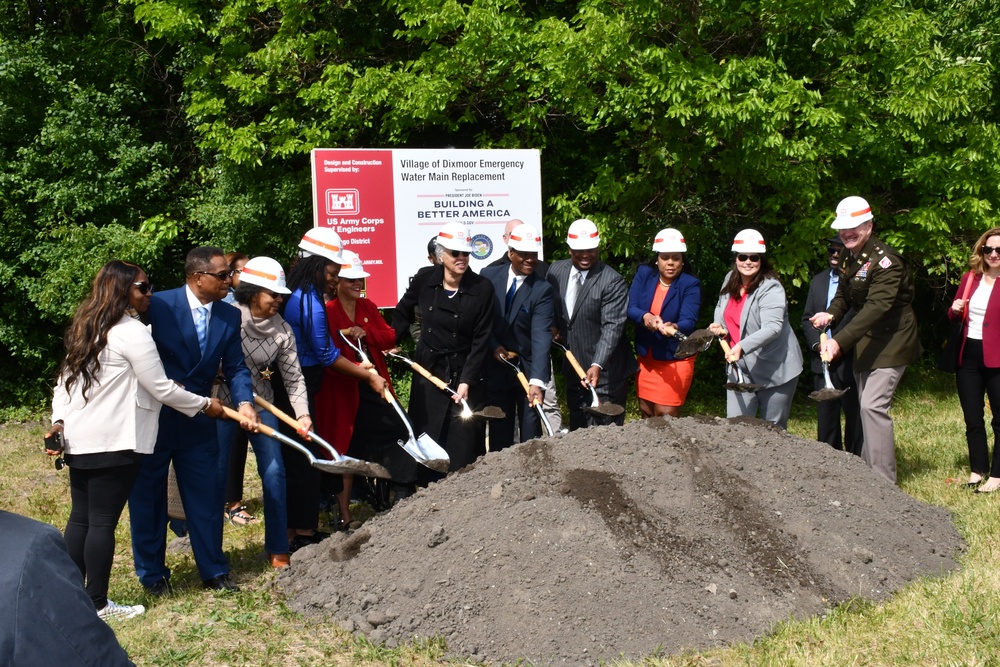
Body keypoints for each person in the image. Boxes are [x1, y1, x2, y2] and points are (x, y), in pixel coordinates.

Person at [46, 260, 225, 619]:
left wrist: (58, 424)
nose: (149, 294)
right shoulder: (133, 332)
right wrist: (207, 405)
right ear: (122, 291)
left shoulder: (88, 328)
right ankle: (96, 602)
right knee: (100, 523)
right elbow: (160, 387)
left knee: (80, 519)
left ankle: (65, 598)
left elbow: (63, 386)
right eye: (143, 287)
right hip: (115, 440)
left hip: (80, 439)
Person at [128, 247, 259, 595]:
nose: (230, 281)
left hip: (200, 421)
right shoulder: (157, 305)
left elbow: (235, 367)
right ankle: (153, 575)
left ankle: (213, 570)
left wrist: (244, 401)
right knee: (149, 499)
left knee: (206, 497)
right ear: (197, 278)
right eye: (222, 275)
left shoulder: (229, 317)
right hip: (154, 419)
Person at [282, 228, 386, 549]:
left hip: (298, 379)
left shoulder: (299, 293)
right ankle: (299, 534)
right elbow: (326, 354)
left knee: (302, 457)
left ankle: (299, 529)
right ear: (315, 265)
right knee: (303, 461)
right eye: (332, 272)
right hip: (301, 381)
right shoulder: (310, 303)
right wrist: (365, 374)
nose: (335, 278)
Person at [810, 196, 922, 484]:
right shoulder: (850, 255)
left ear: (869, 226)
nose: (847, 233)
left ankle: (884, 482)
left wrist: (839, 341)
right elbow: (844, 295)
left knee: (872, 406)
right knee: (865, 407)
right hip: (867, 340)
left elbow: (876, 308)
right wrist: (830, 315)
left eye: (854, 227)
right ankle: (871, 474)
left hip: (892, 340)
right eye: (843, 228)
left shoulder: (887, 262)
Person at [214, 257, 310, 568]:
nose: (279, 300)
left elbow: (294, 377)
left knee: (274, 471)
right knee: (217, 474)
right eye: (274, 294)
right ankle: (212, 551)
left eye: (281, 295)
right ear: (255, 293)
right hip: (225, 406)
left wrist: (303, 415)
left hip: (263, 404)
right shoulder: (229, 319)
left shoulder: (283, 330)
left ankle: (278, 547)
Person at [392, 221, 495, 472]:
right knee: (428, 436)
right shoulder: (424, 278)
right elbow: (403, 312)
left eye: (466, 253)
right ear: (441, 254)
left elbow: (482, 339)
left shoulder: (482, 289)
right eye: (455, 253)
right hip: (429, 369)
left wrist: (467, 380)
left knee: (463, 443)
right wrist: (388, 341)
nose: (461, 258)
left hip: (466, 371)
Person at [318, 250, 417, 510]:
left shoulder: (368, 306)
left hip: (374, 382)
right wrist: (346, 338)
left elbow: (390, 337)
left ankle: (403, 486)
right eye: (351, 279)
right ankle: (351, 495)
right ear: (336, 282)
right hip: (343, 387)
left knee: (399, 427)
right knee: (349, 439)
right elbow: (326, 352)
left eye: (359, 279)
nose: (357, 284)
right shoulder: (327, 312)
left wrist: (367, 332)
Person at [0, 510, 136, 665]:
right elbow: (90, 656)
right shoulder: (29, 550)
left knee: (81, 516)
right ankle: (99, 601)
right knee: (101, 521)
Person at [708, 230, 802, 429]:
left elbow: (773, 327)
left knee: (773, 429)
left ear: (761, 259)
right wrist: (719, 325)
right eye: (743, 256)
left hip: (775, 368)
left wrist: (742, 346)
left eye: (754, 257)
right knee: (736, 426)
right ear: (736, 258)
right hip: (739, 366)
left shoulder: (771, 288)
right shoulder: (729, 279)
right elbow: (720, 306)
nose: (748, 261)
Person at [548, 218, 636, 430]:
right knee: (579, 430)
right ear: (569, 249)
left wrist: (597, 364)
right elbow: (550, 306)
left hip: (606, 374)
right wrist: (552, 325)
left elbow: (612, 327)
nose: (585, 255)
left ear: (598, 247)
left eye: (591, 250)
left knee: (606, 433)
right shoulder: (555, 272)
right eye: (579, 250)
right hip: (573, 368)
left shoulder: (611, 280)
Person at [482, 223, 555, 448]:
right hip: (496, 368)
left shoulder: (542, 289)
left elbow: (541, 336)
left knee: (530, 433)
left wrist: (537, 381)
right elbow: (483, 321)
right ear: (511, 253)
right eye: (524, 254)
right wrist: (494, 346)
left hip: (527, 369)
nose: (530, 259)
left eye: (533, 254)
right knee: (499, 431)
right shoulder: (489, 276)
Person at [628, 228, 702, 418]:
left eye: (675, 258)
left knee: (665, 414)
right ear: (657, 258)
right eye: (665, 257)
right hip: (647, 358)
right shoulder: (644, 274)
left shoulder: (690, 284)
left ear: (682, 260)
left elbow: (689, 319)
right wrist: (645, 317)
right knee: (646, 411)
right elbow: (631, 307)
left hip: (674, 358)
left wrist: (675, 327)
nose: (670, 262)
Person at [948, 228, 1000, 492]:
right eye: (987, 249)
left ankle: (997, 475)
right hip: (968, 355)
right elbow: (955, 312)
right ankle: (977, 470)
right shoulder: (971, 278)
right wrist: (955, 308)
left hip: (998, 358)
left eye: (998, 250)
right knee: (972, 418)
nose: (993, 254)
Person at [801, 238, 863, 455]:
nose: (835, 255)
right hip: (823, 361)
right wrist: (818, 346)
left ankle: (858, 467)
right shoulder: (818, 281)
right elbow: (807, 319)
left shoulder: (859, 282)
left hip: (850, 358)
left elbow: (860, 318)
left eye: (840, 251)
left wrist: (839, 345)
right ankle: (829, 467)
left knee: (855, 420)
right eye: (831, 250)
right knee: (826, 422)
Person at [219, 251, 256, 526]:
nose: (245, 276)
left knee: (237, 445)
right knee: (226, 446)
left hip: (245, 383)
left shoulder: (253, 304)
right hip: (219, 386)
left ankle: (232, 501)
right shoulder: (224, 306)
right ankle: (230, 503)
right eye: (239, 271)